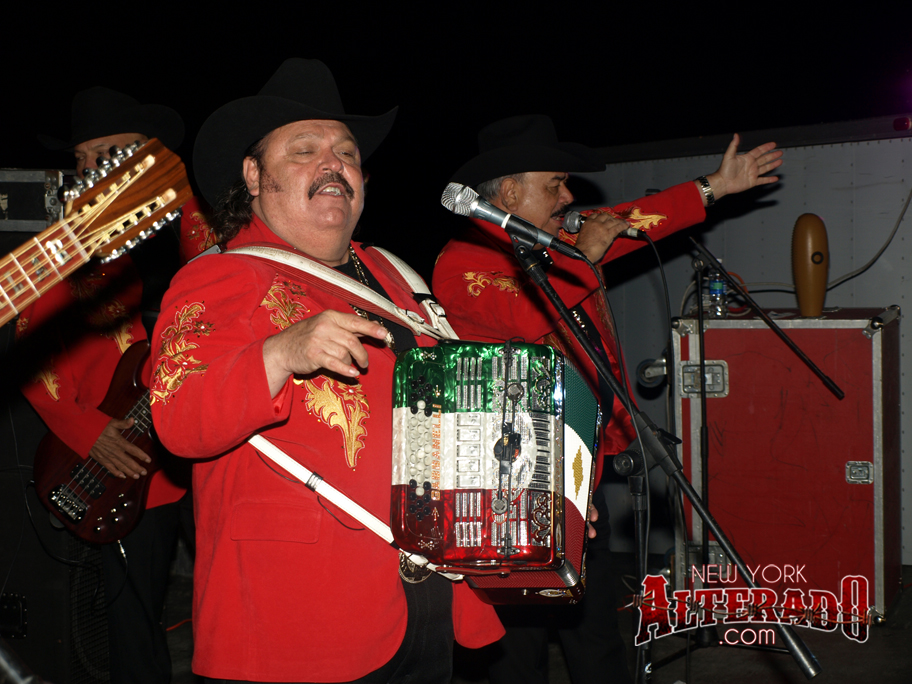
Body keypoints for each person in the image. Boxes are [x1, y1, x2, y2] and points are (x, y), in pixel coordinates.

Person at [149, 58, 503, 683]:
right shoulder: (219, 275)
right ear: (254, 175)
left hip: (430, 597)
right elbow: (178, 419)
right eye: (304, 149)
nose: (333, 163)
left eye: (346, 152)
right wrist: (280, 353)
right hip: (297, 616)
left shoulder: (397, 275)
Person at [432, 114, 783, 683]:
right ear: (511, 192)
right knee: (519, 644)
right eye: (554, 184)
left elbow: (636, 217)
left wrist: (716, 186)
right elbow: (526, 314)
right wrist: (586, 256)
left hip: (579, 469)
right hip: (511, 483)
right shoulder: (462, 262)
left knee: (594, 629)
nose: (568, 196)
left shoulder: (554, 244)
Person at [20, 87, 202, 683]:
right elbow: (31, 360)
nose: (89, 170)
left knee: (232, 604)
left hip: (209, 445)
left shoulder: (195, 222)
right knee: (134, 625)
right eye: (81, 158)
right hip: (128, 459)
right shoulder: (65, 250)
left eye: (106, 154)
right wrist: (90, 432)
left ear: (145, 156)